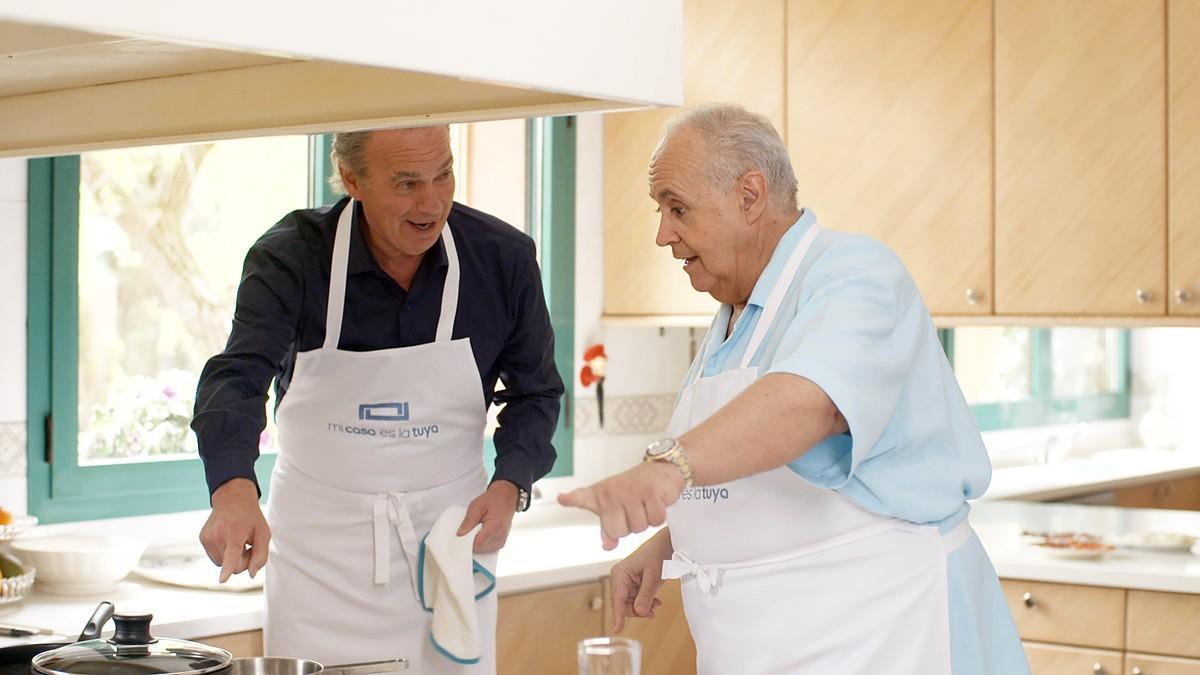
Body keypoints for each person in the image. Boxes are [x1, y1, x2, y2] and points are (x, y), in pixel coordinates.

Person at [559, 104, 1029, 674]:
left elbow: (810, 403)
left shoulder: (856, 275)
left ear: (750, 196)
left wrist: (666, 468)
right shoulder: (736, 313)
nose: (663, 235)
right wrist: (674, 540)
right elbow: (763, 480)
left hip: (884, 632)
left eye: (677, 208)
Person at [193, 125, 563, 674]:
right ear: (352, 179)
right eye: (408, 183)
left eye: (444, 175)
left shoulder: (501, 257)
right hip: (319, 553)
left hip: (449, 542)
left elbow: (536, 391)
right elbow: (238, 376)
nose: (432, 203)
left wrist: (510, 484)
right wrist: (232, 492)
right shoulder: (292, 257)